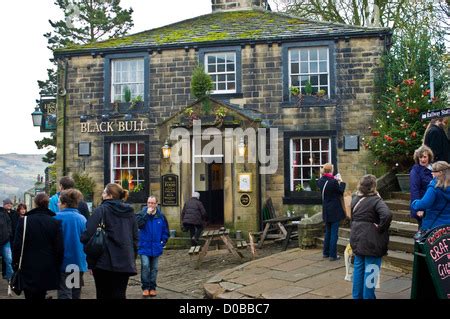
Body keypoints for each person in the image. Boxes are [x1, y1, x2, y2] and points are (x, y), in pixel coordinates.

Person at [80, 183, 138, 299]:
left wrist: (91, 260)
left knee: (103, 294)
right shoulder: (130, 212)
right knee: (120, 294)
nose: (102, 194)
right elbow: (135, 238)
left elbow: (88, 235)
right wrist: (132, 257)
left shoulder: (101, 210)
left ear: (110, 195)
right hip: (124, 260)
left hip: (103, 262)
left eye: (104, 192)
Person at [12, 193, 64, 300]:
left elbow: (17, 245)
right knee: (41, 293)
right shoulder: (55, 222)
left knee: (29, 294)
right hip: (47, 265)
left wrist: (15, 263)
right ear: (47, 204)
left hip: (28, 265)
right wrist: (57, 264)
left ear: (35, 204)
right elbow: (59, 248)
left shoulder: (24, 221)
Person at [350, 174, 392, 299]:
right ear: (373, 186)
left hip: (356, 237)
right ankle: (368, 297)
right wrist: (380, 227)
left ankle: (357, 297)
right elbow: (387, 215)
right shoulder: (376, 200)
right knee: (371, 270)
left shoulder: (355, 198)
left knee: (358, 269)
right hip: (371, 241)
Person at [54, 189, 88, 299]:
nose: (57, 204)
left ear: (64, 203)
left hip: (63, 261)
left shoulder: (56, 218)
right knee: (75, 291)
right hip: (78, 260)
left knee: (64, 291)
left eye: (59, 202)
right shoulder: (82, 219)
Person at [136, 196, 169, 298]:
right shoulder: (141, 214)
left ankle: (152, 288)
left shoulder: (161, 216)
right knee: (145, 266)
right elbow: (138, 225)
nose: (150, 205)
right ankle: (145, 288)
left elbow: (165, 231)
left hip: (156, 246)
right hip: (144, 246)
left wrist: (162, 242)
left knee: (154, 268)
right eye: (149, 203)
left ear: (156, 204)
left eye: (152, 203)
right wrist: (147, 215)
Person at [317, 163, 346, 261]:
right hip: (334, 210)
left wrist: (335, 179)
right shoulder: (333, 182)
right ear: (331, 170)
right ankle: (333, 255)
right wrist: (341, 182)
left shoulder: (320, 180)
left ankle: (326, 252)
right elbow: (340, 191)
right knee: (334, 233)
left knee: (327, 232)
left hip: (326, 209)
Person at [411, 161, 450, 230]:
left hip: (435, 226)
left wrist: (414, 203)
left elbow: (424, 204)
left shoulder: (434, 187)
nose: (431, 173)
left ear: (440, 173)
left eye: (434, 171)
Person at [409, 145, 434, 228]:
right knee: (423, 233)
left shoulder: (434, 168)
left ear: (429, 157)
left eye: (425, 157)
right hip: (423, 206)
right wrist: (419, 208)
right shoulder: (415, 171)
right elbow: (414, 190)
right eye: (420, 157)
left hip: (433, 207)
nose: (422, 159)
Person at [0, 198, 15, 286]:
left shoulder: (4, 214)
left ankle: (11, 280)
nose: (9, 204)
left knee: (9, 260)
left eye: (10, 203)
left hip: (6, 242)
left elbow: (9, 225)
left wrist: (9, 234)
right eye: (7, 203)